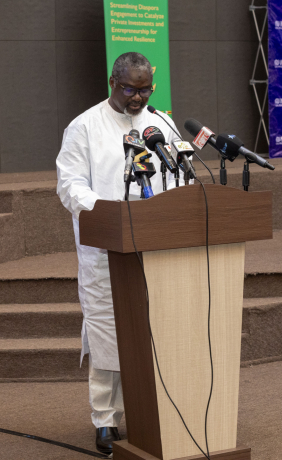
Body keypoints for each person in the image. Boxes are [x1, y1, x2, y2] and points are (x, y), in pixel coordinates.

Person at [55, 52, 182, 455]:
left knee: (159, 327)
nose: (138, 97)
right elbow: (70, 185)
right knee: (107, 332)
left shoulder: (161, 123)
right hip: (106, 248)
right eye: (130, 89)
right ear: (113, 82)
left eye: (145, 89)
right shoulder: (84, 126)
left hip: (157, 245)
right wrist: (108, 214)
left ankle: (156, 410)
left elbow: (179, 173)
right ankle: (106, 420)